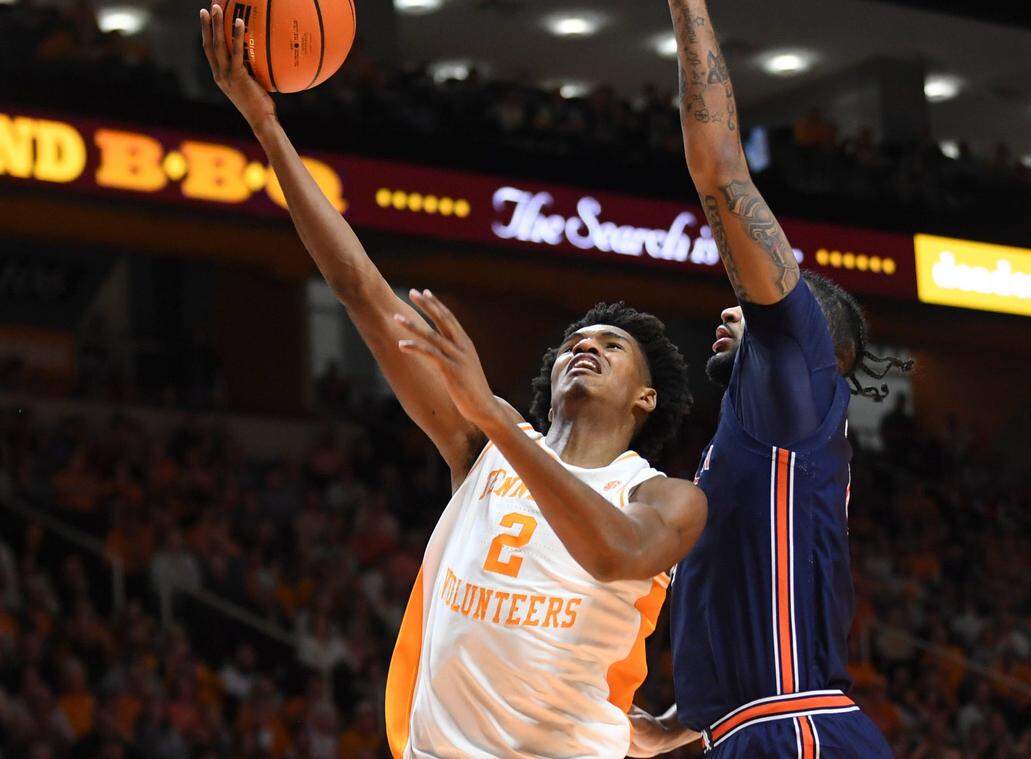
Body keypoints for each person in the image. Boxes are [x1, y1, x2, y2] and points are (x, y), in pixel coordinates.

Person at [197, 8, 707, 758]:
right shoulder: (483, 448)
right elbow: (359, 289)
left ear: (646, 396)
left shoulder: (661, 496)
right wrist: (266, 124)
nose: (584, 348)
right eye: (573, 341)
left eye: (610, 345)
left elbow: (613, 555)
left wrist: (496, 417)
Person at [629, 1, 910, 756]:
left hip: (795, 729)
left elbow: (719, 167)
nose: (732, 304)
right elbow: (761, 588)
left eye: (751, 300)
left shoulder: (798, 362)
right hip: (761, 727)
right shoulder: (763, 429)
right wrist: (681, 723)